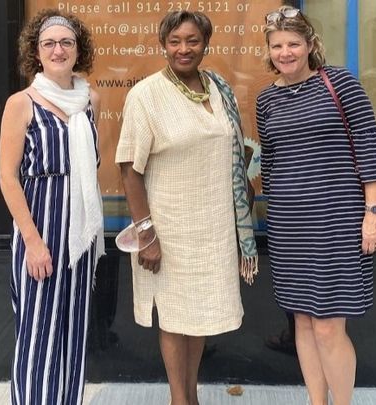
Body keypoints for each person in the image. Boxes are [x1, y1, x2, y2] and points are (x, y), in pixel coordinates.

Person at [115, 10, 257, 405]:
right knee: (175, 319)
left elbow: (233, 148)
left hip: (213, 226)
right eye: (175, 40)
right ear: (163, 44)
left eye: (192, 40)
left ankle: (190, 396)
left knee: (199, 316)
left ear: (205, 44)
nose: (183, 48)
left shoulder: (219, 88)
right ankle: (180, 399)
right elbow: (129, 168)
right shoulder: (145, 95)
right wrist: (146, 234)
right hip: (168, 229)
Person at [256, 6, 376, 405]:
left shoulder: (340, 83)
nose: (286, 52)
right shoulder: (266, 100)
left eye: (293, 43)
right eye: (277, 45)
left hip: (338, 222)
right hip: (290, 225)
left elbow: (369, 147)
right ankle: (317, 401)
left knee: (329, 325)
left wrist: (373, 213)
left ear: (310, 45)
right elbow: (272, 162)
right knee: (302, 320)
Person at [0, 9, 103, 405]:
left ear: (79, 50)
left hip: (79, 233)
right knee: (37, 333)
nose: (58, 50)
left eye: (66, 42)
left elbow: (93, 164)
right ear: (36, 52)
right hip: (39, 229)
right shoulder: (21, 103)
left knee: (73, 332)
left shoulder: (91, 98)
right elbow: (8, 177)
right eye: (49, 43)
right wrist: (32, 241)